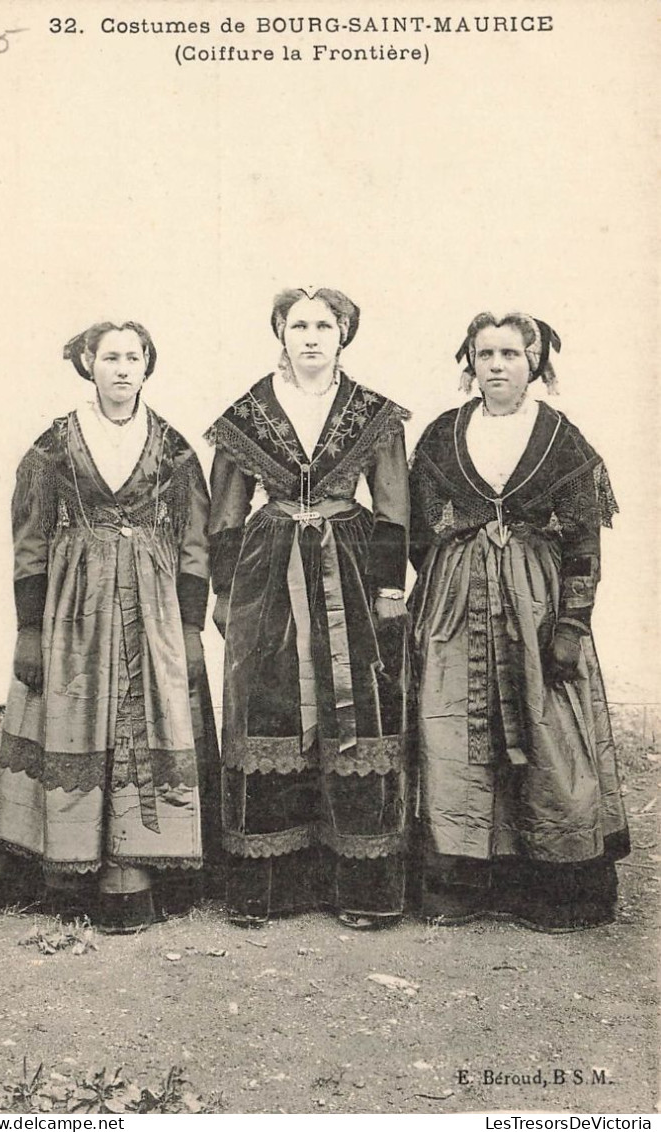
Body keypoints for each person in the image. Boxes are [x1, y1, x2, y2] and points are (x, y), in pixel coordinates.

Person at [0, 321, 219, 932]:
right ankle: (68, 869)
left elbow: (194, 542)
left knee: (148, 717)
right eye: (109, 357)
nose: (121, 369)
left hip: (152, 608)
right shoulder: (53, 446)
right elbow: (29, 539)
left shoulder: (175, 447)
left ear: (147, 365)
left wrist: (190, 629)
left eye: (133, 358)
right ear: (88, 363)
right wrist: (28, 629)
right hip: (75, 609)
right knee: (75, 719)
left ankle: (139, 871)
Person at [408, 312, 629, 932]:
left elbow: (585, 542)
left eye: (510, 353)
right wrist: (454, 582)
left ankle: (551, 889)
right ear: (470, 363)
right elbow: (422, 533)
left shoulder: (562, 439)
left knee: (547, 732)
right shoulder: (441, 435)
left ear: (535, 362)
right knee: (455, 734)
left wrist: (572, 623)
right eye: (485, 354)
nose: (497, 365)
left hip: (538, 608)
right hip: (455, 606)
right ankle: (462, 882)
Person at [206, 287, 410, 928]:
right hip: (268, 571)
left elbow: (394, 506)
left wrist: (387, 589)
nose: (313, 336)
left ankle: (362, 886)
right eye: (300, 325)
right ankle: (270, 888)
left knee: (356, 707)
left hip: (347, 563)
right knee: (270, 703)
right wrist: (222, 590)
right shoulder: (248, 414)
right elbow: (225, 512)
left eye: (326, 324)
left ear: (344, 333)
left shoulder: (373, 414)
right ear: (280, 332)